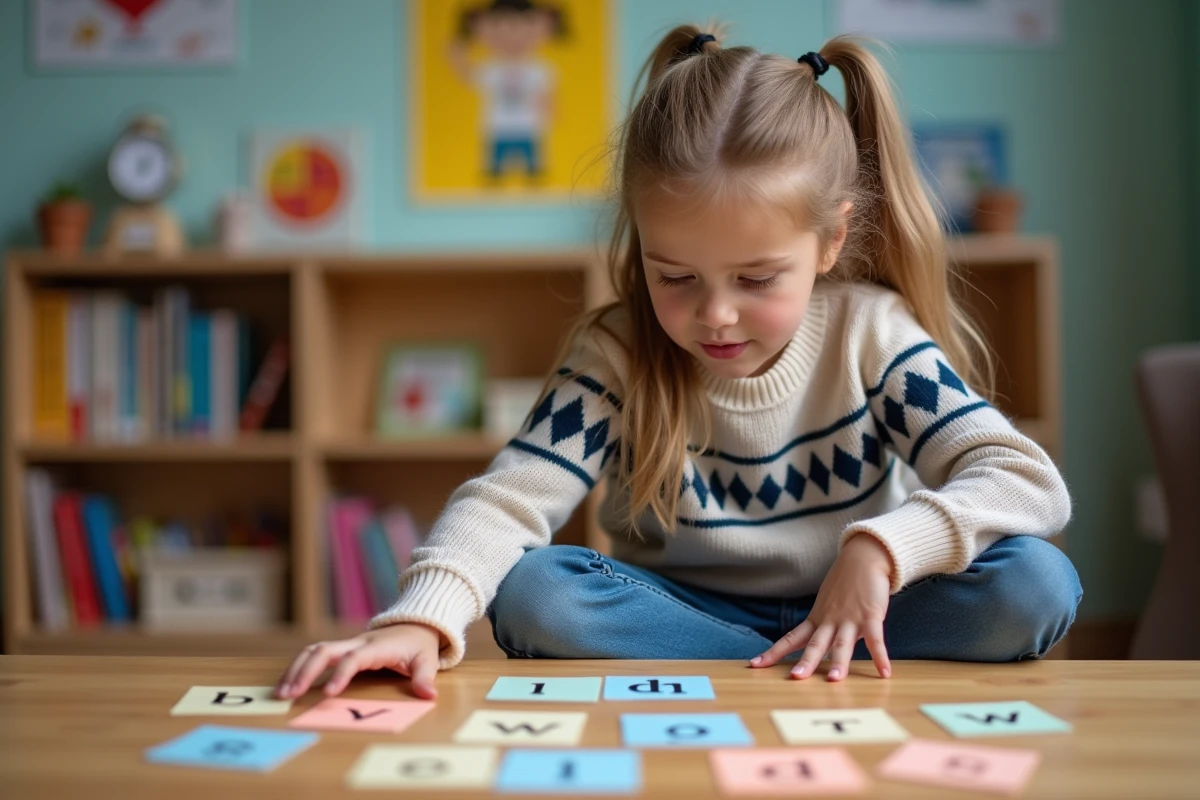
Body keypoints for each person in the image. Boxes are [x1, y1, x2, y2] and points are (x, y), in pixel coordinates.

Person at [276, 26, 1080, 702]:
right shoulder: (618, 351)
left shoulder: (874, 332)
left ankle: (794, 652)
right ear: (641, 245)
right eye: (676, 278)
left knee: (1035, 583)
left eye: (757, 279)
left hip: (862, 601)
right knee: (536, 593)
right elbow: (508, 500)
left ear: (832, 240)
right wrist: (421, 618)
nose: (715, 314)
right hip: (678, 611)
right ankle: (773, 667)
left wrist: (881, 549)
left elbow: (1025, 479)